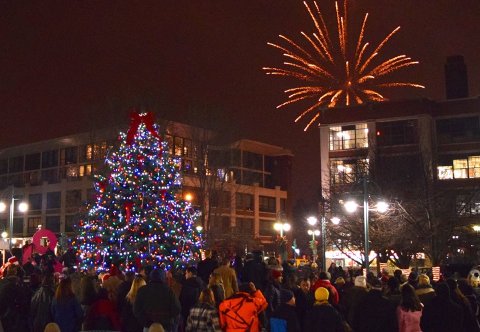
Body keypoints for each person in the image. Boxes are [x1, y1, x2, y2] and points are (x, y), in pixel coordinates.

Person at [134, 268, 181, 332]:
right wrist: (167, 319)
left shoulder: (142, 290)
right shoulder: (168, 291)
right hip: (164, 327)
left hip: (148, 327)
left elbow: (136, 309)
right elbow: (177, 309)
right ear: (163, 278)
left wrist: (146, 322)